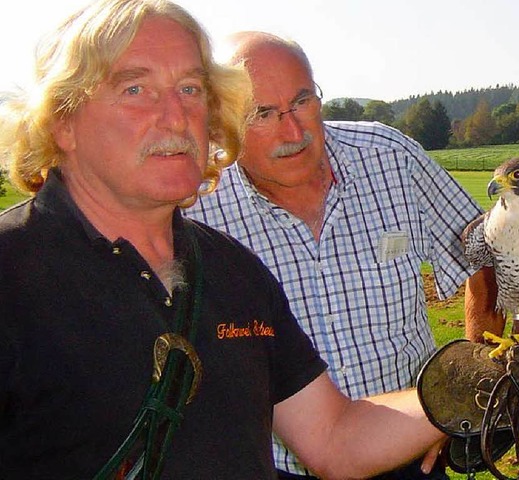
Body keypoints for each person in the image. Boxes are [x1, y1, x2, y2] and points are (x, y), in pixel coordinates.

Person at [0, 1, 451, 479]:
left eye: (191, 88)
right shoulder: (13, 275)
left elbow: (332, 437)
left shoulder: (233, 271)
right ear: (60, 121)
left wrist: (476, 385)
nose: (176, 116)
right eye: (136, 88)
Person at [185, 31, 501, 479]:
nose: (293, 131)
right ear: (222, 122)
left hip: (411, 452)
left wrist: (464, 392)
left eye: (302, 101)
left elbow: (483, 257)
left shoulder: (390, 158)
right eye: (263, 114)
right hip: (276, 467)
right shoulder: (200, 206)